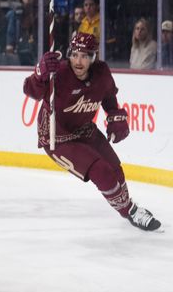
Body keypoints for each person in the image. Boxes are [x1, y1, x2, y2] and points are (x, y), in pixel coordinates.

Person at [22, 33, 161, 232]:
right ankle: (129, 210)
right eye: (75, 55)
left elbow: (109, 97)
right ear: (69, 54)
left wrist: (115, 115)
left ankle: (125, 205)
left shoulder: (102, 73)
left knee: (115, 167)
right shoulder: (58, 73)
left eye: (85, 56)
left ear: (93, 57)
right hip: (56, 137)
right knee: (101, 170)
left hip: (84, 128)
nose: (79, 61)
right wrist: (39, 74)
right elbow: (30, 91)